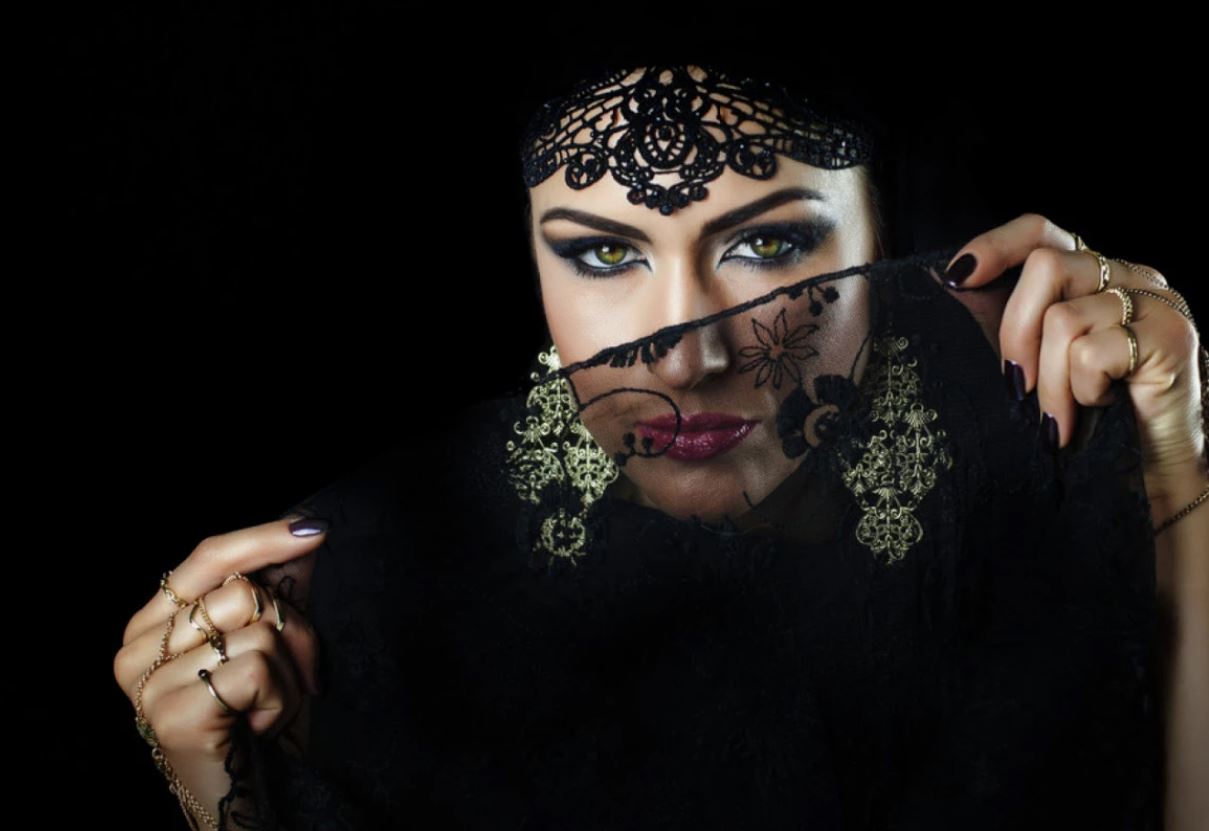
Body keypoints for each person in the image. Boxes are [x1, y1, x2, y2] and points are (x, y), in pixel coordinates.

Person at [113, 58, 1209, 830]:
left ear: (888, 233)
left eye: (768, 244)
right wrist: (227, 792)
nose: (685, 357)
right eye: (602, 255)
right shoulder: (375, 622)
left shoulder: (1027, 524)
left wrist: (1173, 470)